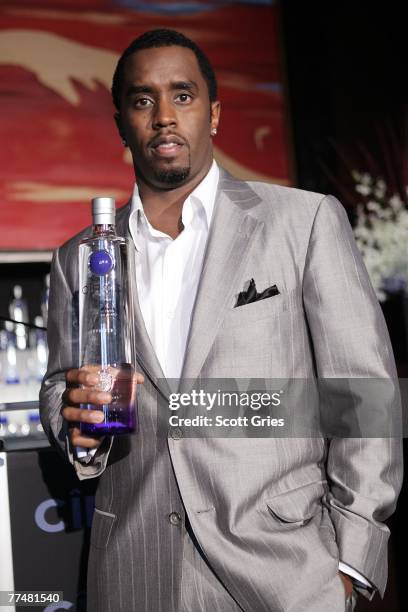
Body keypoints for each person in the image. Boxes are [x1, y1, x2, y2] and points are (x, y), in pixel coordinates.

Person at [39, 29, 402, 612]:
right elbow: (61, 385)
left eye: (182, 96)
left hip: (286, 575)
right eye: (142, 100)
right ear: (120, 124)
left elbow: (363, 394)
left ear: (213, 114)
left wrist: (351, 561)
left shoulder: (303, 222)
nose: (162, 117)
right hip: (136, 570)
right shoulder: (80, 258)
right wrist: (74, 425)